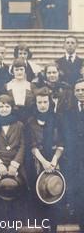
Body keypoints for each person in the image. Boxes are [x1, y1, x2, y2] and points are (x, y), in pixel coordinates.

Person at [26, 87, 65, 233]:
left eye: (45, 102)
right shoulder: (31, 121)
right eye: (39, 102)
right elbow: (32, 145)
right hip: (38, 162)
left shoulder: (57, 118)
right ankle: (43, 227)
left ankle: (53, 228)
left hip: (55, 161)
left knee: (54, 193)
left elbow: (61, 143)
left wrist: (54, 161)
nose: (43, 105)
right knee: (40, 196)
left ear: (50, 102)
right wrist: (43, 162)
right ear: (35, 103)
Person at [0, 94, 27, 231]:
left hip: (15, 164)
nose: (4, 109)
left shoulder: (19, 125)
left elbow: (22, 146)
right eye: (1, 106)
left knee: (16, 189)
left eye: (7, 106)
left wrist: (15, 164)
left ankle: (14, 226)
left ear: (12, 107)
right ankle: (0, 225)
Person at [63, 79, 84, 231]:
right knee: (77, 186)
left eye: (83, 90)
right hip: (75, 157)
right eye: (78, 90)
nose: (80, 93)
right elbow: (67, 134)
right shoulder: (69, 111)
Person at [5, 58, 35, 122]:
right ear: (13, 71)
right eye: (16, 70)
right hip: (12, 118)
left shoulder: (31, 86)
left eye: (21, 69)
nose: (19, 72)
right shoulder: (7, 86)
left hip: (28, 119)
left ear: (25, 70)